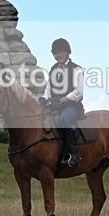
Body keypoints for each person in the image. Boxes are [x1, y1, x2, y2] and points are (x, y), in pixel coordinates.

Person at [39, 38, 85, 166]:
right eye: (56, 53)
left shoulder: (76, 69)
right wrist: (44, 98)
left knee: (63, 120)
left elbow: (78, 92)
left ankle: (75, 154)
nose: (59, 55)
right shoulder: (53, 69)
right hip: (55, 105)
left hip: (72, 106)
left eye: (62, 52)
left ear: (68, 52)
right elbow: (49, 88)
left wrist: (62, 101)